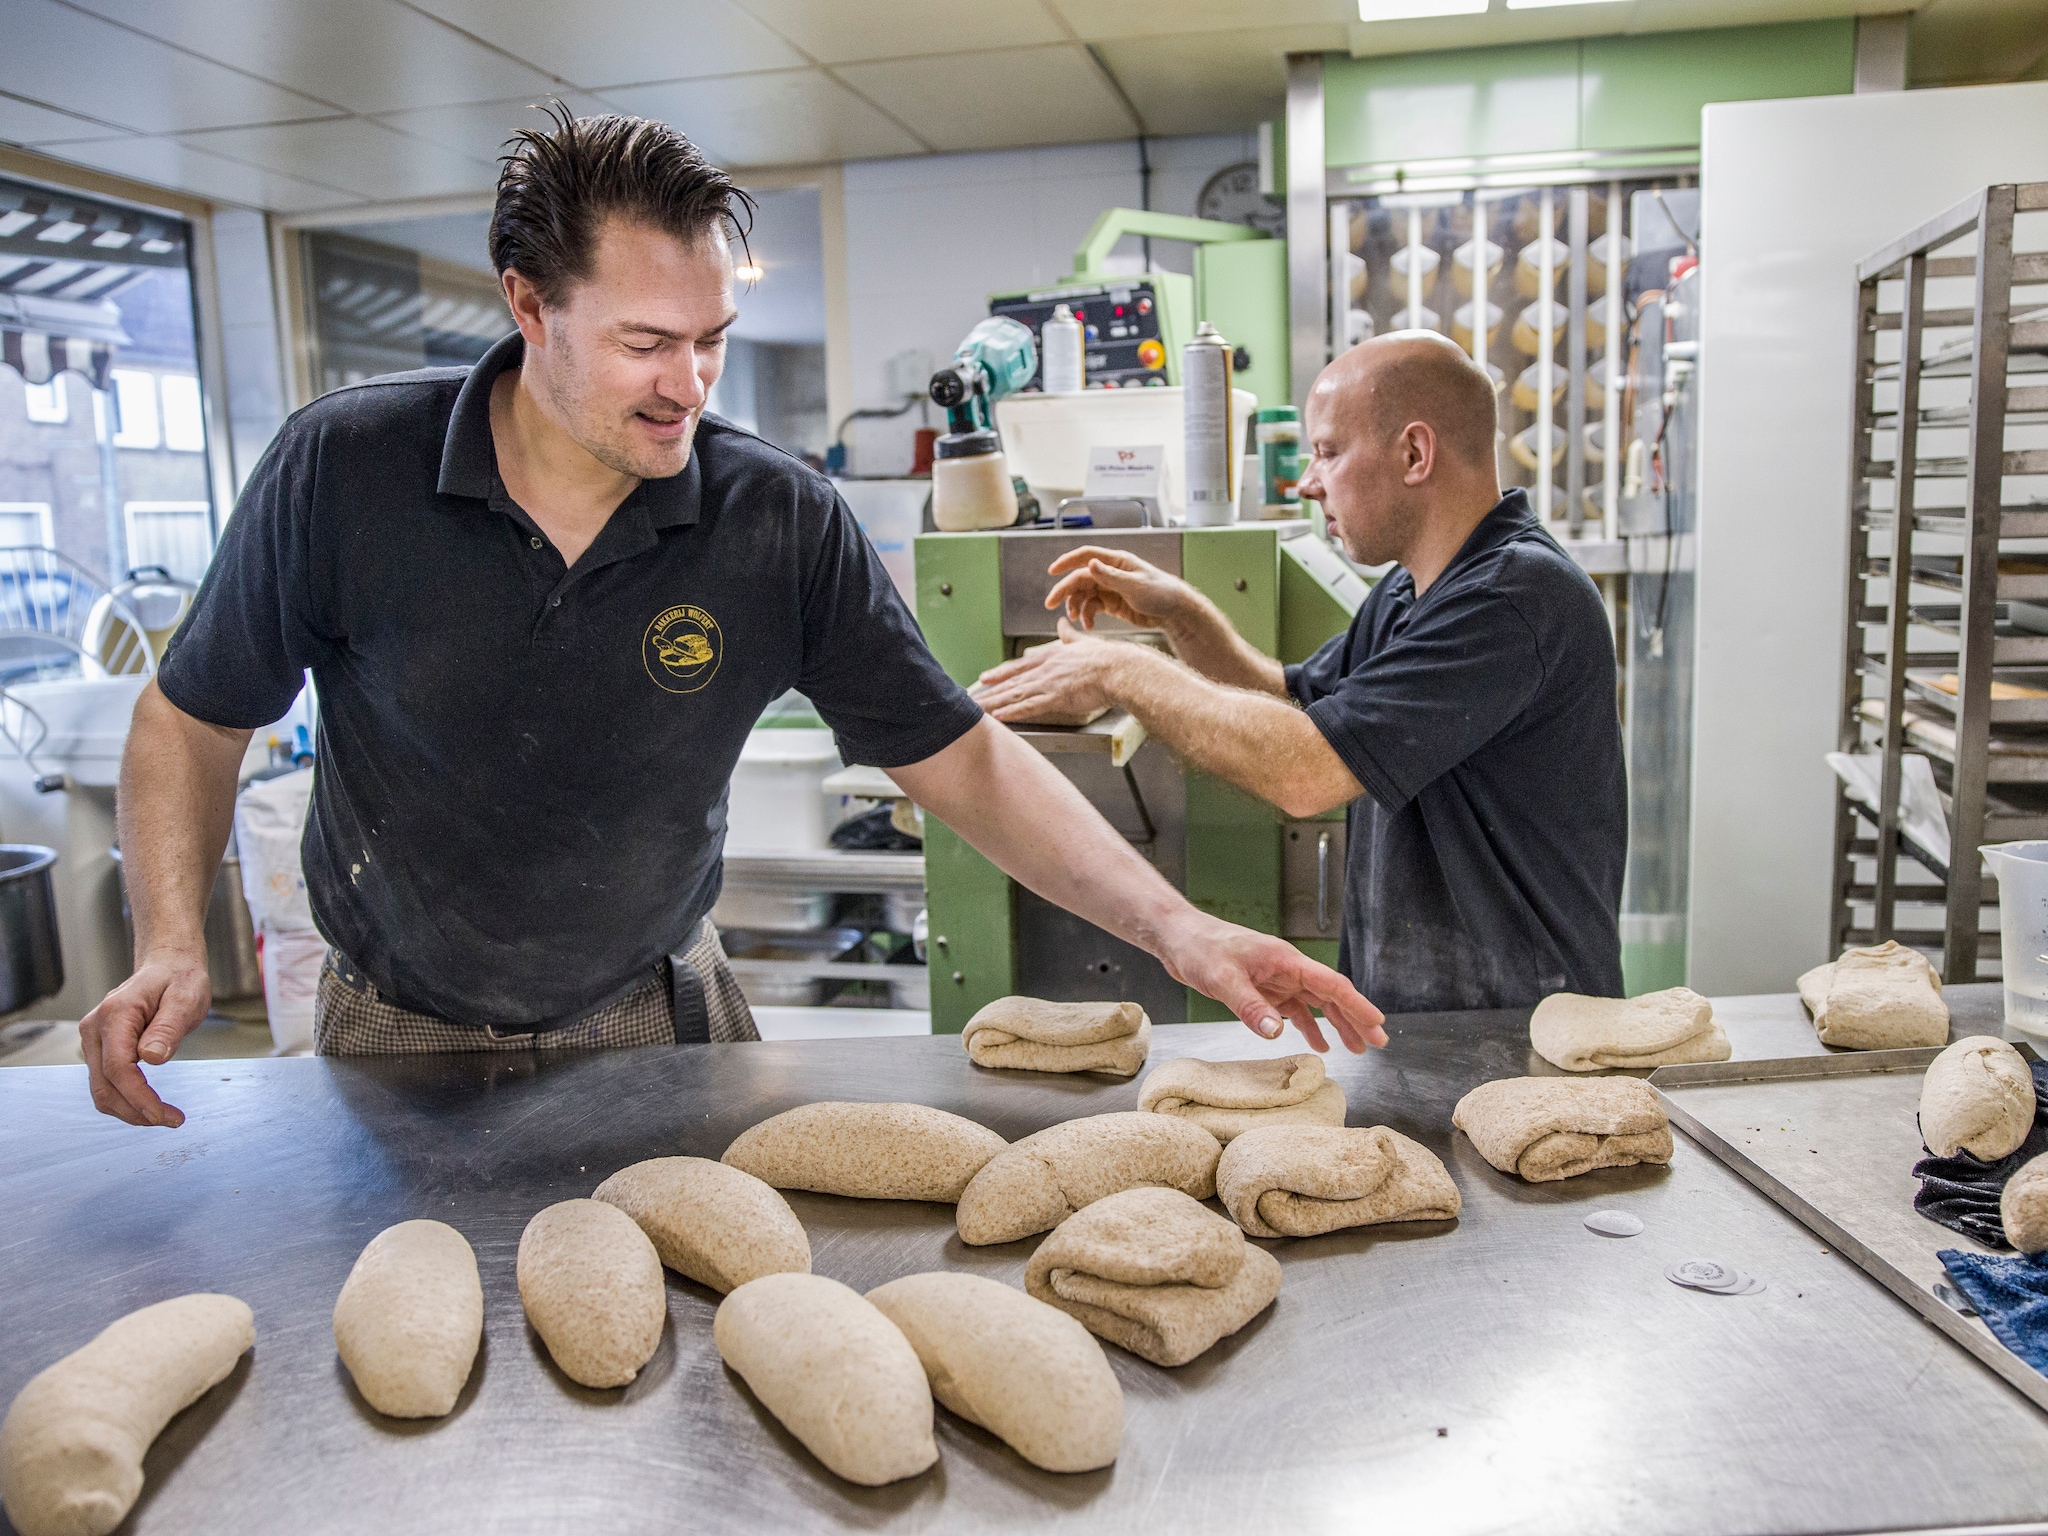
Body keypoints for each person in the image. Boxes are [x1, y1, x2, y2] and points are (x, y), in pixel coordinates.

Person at [82, 111, 1386, 1129]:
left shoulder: (773, 518)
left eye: (714, 339)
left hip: (662, 1012)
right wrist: (168, 944)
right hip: (397, 1023)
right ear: (528, 306)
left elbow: (958, 759)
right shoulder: (344, 472)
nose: (690, 385)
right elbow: (192, 717)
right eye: (649, 342)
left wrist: (1180, 929)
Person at [974, 331, 1626, 1015]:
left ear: (1413, 453)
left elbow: (1305, 770)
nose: (1307, 481)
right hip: (1436, 1028)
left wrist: (1119, 669)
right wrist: (1180, 617)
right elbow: (1291, 701)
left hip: (1523, 1032)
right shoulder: (1414, 590)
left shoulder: (1515, 598)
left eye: (1328, 451)